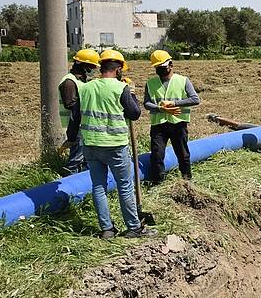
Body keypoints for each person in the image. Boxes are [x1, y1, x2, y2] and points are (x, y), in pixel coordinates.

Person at [66, 49, 156, 239]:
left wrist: (72, 137)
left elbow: (75, 117)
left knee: (98, 187)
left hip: (90, 146)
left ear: (101, 68)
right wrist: (131, 94)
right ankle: (134, 227)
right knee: (124, 186)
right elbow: (135, 114)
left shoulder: (86, 87)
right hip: (115, 145)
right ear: (118, 69)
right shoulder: (120, 88)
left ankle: (107, 229)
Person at [143, 50, 200, 183]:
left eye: (162, 67)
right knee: (157, 156)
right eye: (157, 68)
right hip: (158, 125)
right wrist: (159, 108)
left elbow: (195, 99)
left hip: (178, 123)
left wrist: (174, 103)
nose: (160, 70)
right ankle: (158, 182)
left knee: (183, 155)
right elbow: (146, 103)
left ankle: (187, 181)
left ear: (171, 65)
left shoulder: (183, 80)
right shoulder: (150, 83)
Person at [58, 49, 100, 175]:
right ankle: (70, 187)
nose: (94, 69)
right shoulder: (69, 82)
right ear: (83, 65)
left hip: (84, 125)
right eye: (92, 66)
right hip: (76, 127)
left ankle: (84, 186)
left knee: (87, 159)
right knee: (76, 159)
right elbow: (70, 104)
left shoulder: (82, 81)